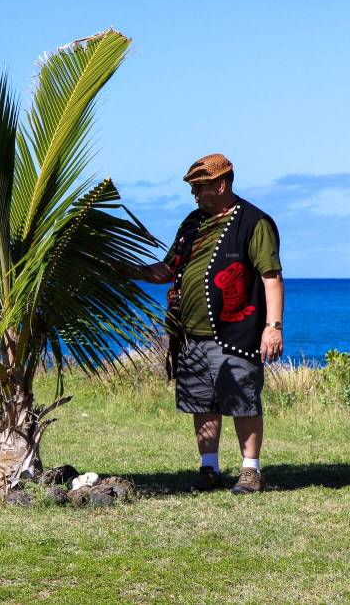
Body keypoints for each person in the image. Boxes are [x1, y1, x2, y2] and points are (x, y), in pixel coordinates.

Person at [132, 153, 284, 493]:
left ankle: (250, 470)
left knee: (243, 401)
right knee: (202, 402)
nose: (195, 195)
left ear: (221, 184)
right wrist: (126, 270)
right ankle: (209, 468)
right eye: (193, 189)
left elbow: (271, 277)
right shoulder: (192, 223)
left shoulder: (253, 223)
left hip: (236, 331)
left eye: (199, 188)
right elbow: (168, 269)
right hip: (190, 335)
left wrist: (273, 327)